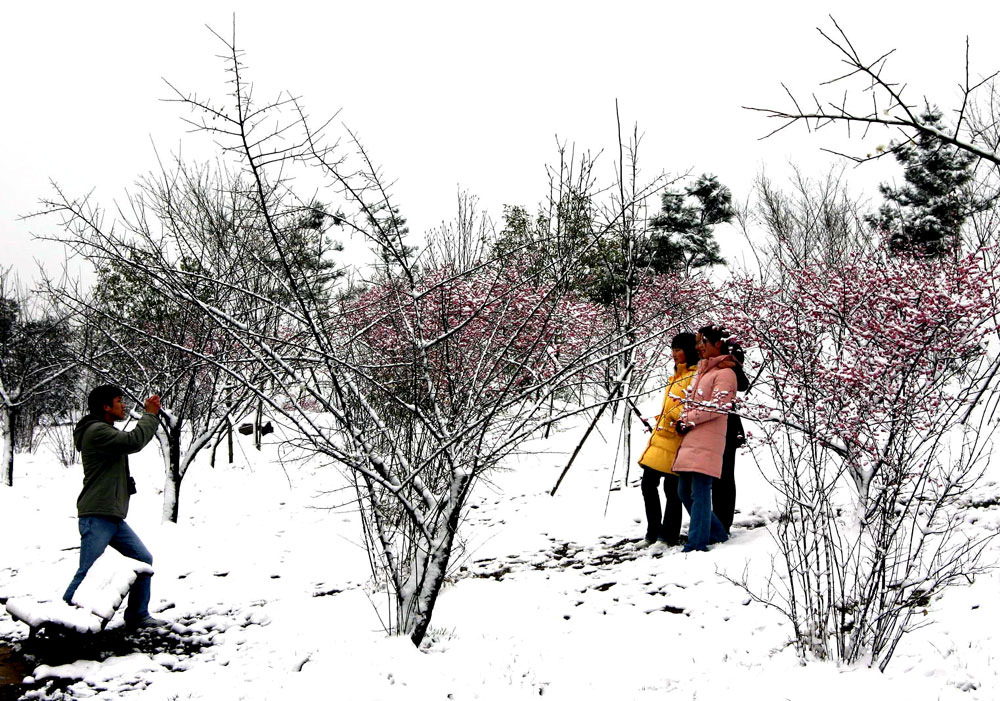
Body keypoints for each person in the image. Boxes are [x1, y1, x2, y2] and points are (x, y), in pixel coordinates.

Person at [63, 384, 166, 631]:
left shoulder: (103, 430)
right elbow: (134, 441)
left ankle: (138, 615)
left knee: (142, 559)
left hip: (111, 515)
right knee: (87, 571)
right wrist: (150, 415)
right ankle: (62, 620)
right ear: (106, 407)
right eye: (119, 401)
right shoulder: (97, 431)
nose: (123, 405)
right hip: (97, 514)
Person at [672, 325, 737, 552]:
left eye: (703, 342)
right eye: (698, 342)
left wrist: (689, 419)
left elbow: (719, 406)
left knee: (699, 491)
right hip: (692, 436)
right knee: (684, 491)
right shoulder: (703, 371)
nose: (699, 346)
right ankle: (717, 533)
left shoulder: (725, 373)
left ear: (718, 344)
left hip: (708, 438)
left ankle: (696, 544)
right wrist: (683, 419)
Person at [635, 332, 699, 548]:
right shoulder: (677, 375)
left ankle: (668, 535)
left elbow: (694, 407)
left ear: (688, 350)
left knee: (672, 490)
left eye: (678, 350)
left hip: (679, 439)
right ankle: (653, 532)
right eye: (672, 349)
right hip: (662, 437)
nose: (674, 354)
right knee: (648, 485)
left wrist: (672, 415)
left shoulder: (694, 375)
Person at [713, 339, 749, 534]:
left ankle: (723, 522)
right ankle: (717, 520)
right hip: (715, 424)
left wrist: (732, 365)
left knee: (724, 475)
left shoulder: (729, 349)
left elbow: (742, 383)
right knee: (717, 476)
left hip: (728, 425)